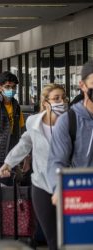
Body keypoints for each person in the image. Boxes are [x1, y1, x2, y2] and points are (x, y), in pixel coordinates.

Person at [0, 84, 67, 250]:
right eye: (56, 98)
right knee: (53, 238)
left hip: (67, 184)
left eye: (63, 98)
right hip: (42, 184)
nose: (62, 102)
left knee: (70, 236)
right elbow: (24, 144)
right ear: (45, 103)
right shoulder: (34, 122)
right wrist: (8, 163)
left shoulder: (71, 121)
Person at [48, 60, 93, 204]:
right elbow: (56, 161)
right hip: (81, 195)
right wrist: (58, 187)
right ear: (82, 86)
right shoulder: (69, 121)